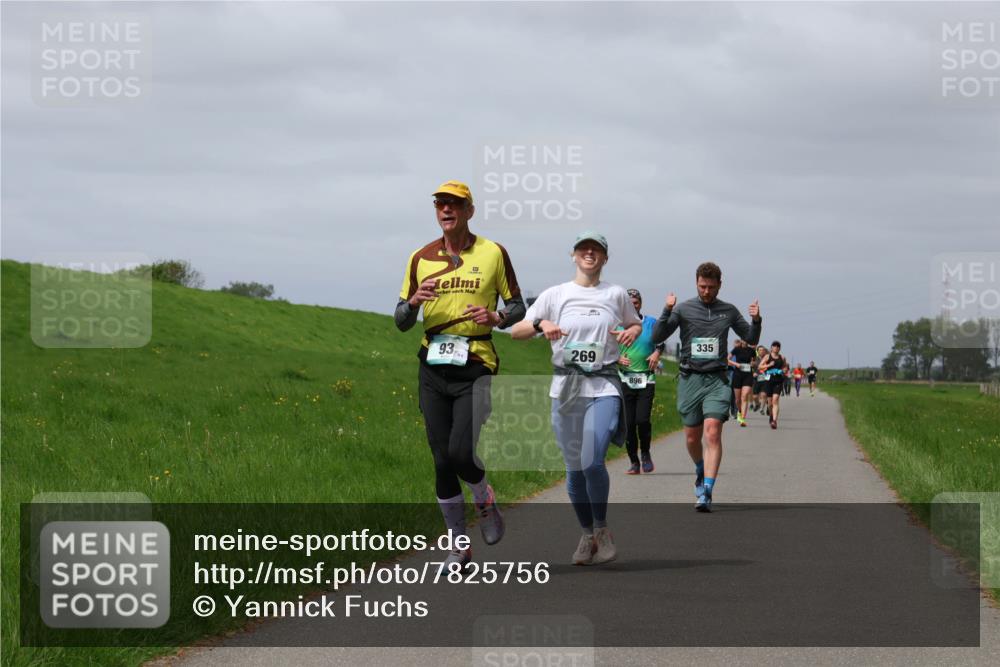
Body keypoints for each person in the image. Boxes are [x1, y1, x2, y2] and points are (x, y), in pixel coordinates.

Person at [395, 180, 525, 572]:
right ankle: (459, 546)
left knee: (460, 452)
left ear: (470, 210)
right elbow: (401, 319)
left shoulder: (493, 253)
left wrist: (498, 317)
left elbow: (517, 306)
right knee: (440, 460)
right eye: (440, 204)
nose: (446, 209)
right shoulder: (420, 257)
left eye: (455, 204)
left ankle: (483, 496)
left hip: (476, 363)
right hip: (432, 365)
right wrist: (414, 302)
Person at [511, 232, 642, 565]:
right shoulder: (556, 294)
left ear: (604, 258)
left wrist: (631, 331)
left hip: (604, 386)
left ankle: (601, 529)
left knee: (592, 460)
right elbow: (517, 331)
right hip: (566, 390)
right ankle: (586, 535)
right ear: (573, 255)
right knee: (573, 471)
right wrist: (542, 324)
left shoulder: (615, 293)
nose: (589, 252)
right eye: (584, 248)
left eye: (596, 249)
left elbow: (635, 324)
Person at [652, 262, 762, 512]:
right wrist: (666, 310)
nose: (706, 292)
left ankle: (707, 491)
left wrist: (756, 320)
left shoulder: (729, 311)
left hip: (717, 379)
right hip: (690, 378)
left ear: (719, 285)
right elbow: (657, 336)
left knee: (712, 432)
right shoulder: (684, 309)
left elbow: (752, 339)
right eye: (702, 286)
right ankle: (700, 469)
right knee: (692, 437)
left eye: (711, 287)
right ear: (696, 283)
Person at [617, 289, 666, 474]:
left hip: (647, 379)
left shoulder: (651, 322)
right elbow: (607, 347)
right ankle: (634, 462)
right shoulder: (617, 324)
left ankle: (645, 453)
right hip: (625, 378)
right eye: (629, 303)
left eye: (635, 303)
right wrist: (617, 358)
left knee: (642, 420)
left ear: (640, 304)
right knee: (629, 424)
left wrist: (656, 352)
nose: (632, 306)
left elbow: (661, 340)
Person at [758, 341, 789, 429]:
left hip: (778, 380)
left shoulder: (782, 357)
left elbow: (785, 367)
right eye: (774, 346)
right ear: (771, 348)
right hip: (769, 380)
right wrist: (768, 365)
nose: (776, 347)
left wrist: (784, 370)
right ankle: (771, 415)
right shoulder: (767, 356)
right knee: (770, 403)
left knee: (775, 400)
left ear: (779, 348)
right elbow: (760, 367)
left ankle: (774, 421)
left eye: (778, 346)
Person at [727, 339, 756, 427]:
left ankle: (742, 419)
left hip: (748, 374)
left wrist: (752, 364)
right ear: (741, 340)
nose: (745, 341)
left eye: (747, 339)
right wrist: (735, 364)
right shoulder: (736, 349)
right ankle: (739, 412)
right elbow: (727, 359)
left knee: (745, 396)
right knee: (737, 399)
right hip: (738, 375)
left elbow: (754, 361)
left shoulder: (751, 350)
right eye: (743, 339)